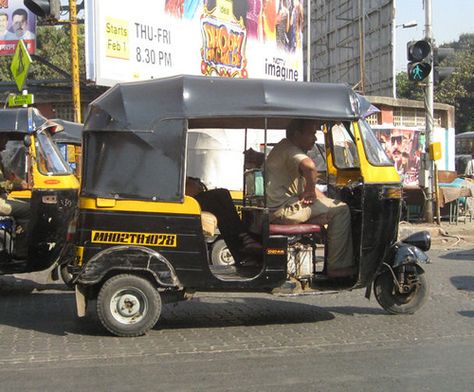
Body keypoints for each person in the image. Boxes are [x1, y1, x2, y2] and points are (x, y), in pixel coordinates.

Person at [265, 119, 355, 278]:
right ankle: (338, 267)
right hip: (284, 211)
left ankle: (317, 220)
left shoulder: (284, 148)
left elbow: (308, 188)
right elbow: (310, 167)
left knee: (331, 210)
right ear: (297, 134)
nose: (315, 139)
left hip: (282, 208)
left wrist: (317, 197)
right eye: (311, 133)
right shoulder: (292, 150)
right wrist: (312, 192)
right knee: (341, 210)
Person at [185, 177, 262, 268]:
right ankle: (243, 240)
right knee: (221, 195)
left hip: (183, 199)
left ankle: (242, 249)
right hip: (180, 201)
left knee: (222, 197)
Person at [0, 134, 30, 257]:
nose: (6, 141)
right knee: (27, 211)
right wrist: (18, 185)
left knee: (27, 203)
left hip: (3, 196)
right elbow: (3, 182)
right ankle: (20, 251)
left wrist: (23, 183)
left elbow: (9, 175)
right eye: (3, 138)